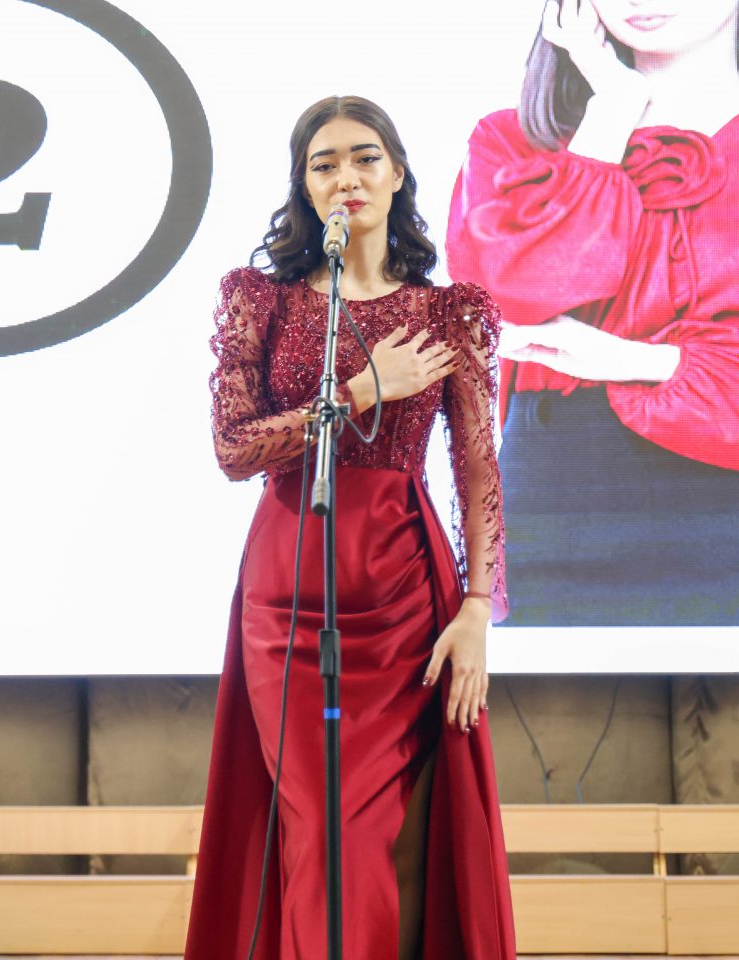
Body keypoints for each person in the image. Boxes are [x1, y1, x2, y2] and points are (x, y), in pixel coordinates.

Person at [183, 96, 516, 960]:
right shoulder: (259, 300)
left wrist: (479, 609)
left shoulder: (451, 313)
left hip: (407, 596)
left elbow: (478, 469)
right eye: (323, 163)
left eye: (365, 158)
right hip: (286, 599)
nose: (346, 178)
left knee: (368, 834)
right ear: (304, 186)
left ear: (398, 173)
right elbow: (233, 447)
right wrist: (361, 390)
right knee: (323, 826)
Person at [447, 0, 739, 626]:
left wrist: (636, 360)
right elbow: (512, 297)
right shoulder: (510, 142)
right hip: (561, 504)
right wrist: (611, 111)